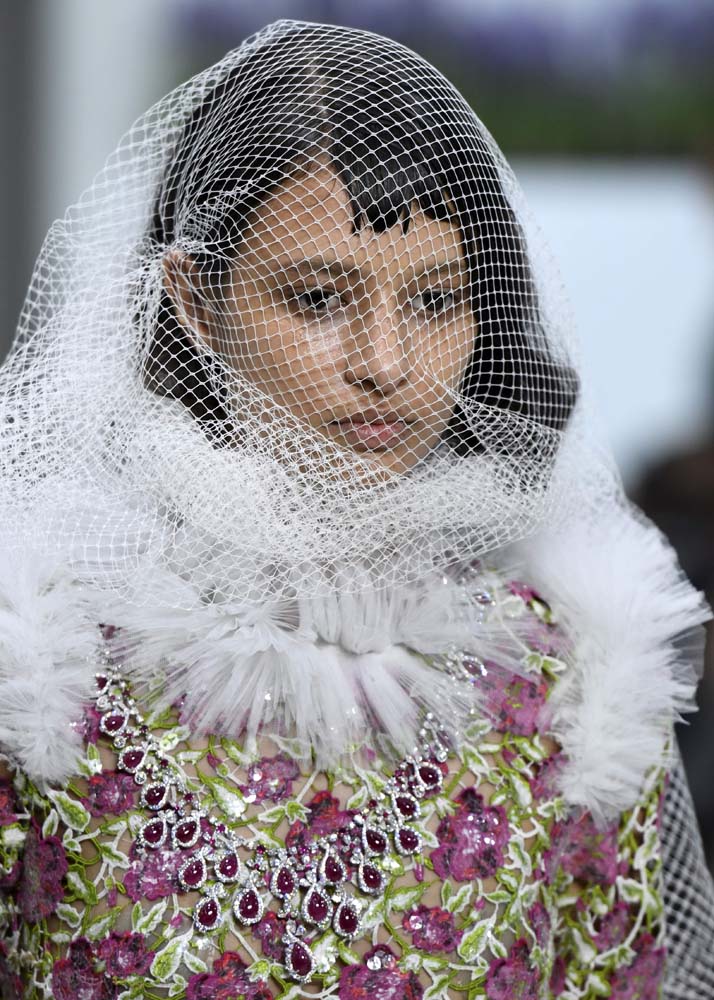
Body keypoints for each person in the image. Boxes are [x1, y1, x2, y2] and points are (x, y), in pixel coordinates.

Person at [0, 19, 712, 999]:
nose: (385, 363)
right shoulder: (40, 654)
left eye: (434, 302)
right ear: (195, 301)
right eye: (320, 297)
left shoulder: (573, 675)